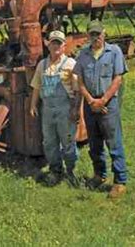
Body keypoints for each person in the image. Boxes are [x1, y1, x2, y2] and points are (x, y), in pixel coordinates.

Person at [73, 20, 128, 199]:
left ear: (104, 33)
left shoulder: (114, 52)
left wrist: (103, 100)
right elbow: (79, 80)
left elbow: (118, 79)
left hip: (108, 104)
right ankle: (100, 175)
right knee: (94, 144)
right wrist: (90, 101)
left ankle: (120, 181)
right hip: (90, 105)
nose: (95, 37)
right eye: (92, 34)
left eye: (98, 34)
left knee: (114, 143)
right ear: (88, 35)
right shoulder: (83, 55)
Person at [29, 30, 80, 187]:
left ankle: (70, 171)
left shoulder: (70, 64)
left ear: (64, 46)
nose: (56, 46)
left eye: (59, 43)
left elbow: (77, 90)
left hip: (65, 109)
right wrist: (33, 105)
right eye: (53, 43)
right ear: (48, 45)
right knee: (49, 142)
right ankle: (55, 170)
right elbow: (37, 86)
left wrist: (76, 109)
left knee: (68, 141)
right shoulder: (42, 65)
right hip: (47, 110)